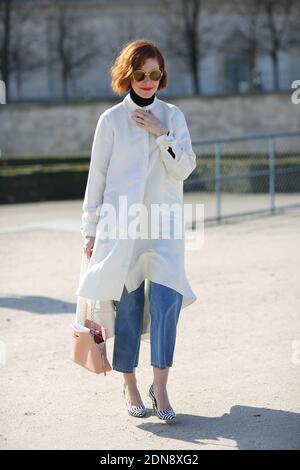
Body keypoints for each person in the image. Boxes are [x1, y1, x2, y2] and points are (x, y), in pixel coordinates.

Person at [78, 39, 197, 422]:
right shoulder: (111, 120)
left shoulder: (173, 115)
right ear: (128, 74)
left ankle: (159, 386)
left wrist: (162, 134)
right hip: (121, 228)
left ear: (162, 76)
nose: (148, 80)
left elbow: (184, 168)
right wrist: (90, 230)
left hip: (163, 226)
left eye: (155, 74)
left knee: (166, 304)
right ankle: (129, 384)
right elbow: (96, 178)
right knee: (128, 309)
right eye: (141, 73)